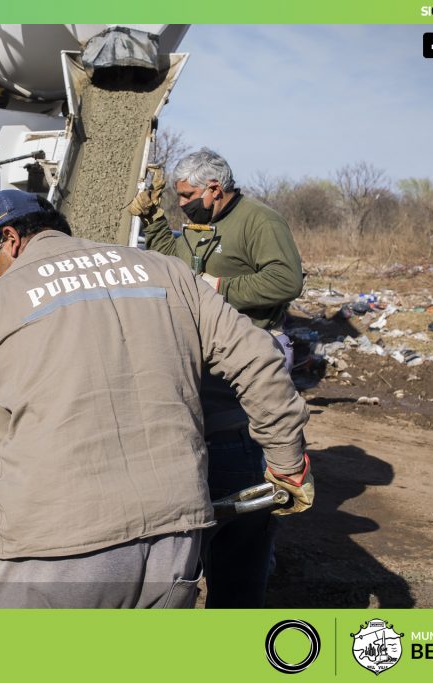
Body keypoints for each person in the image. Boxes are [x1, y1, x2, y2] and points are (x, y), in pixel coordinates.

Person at [0, 189, 313, 608]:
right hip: (173, 541)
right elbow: (259, 358)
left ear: (9, 239)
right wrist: (287, 465)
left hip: (53, 547)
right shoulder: (168, 271)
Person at [132, 148, 304, 608]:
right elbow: (176, 265)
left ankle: (251, 550)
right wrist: (152, 223)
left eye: (186, 195)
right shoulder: (197, 220)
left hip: (252, 347)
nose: (181, 203)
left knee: (241, 443)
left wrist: (222, 287)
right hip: (207, 351)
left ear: (214, 190)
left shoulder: (259, 222)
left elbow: (287, 282)